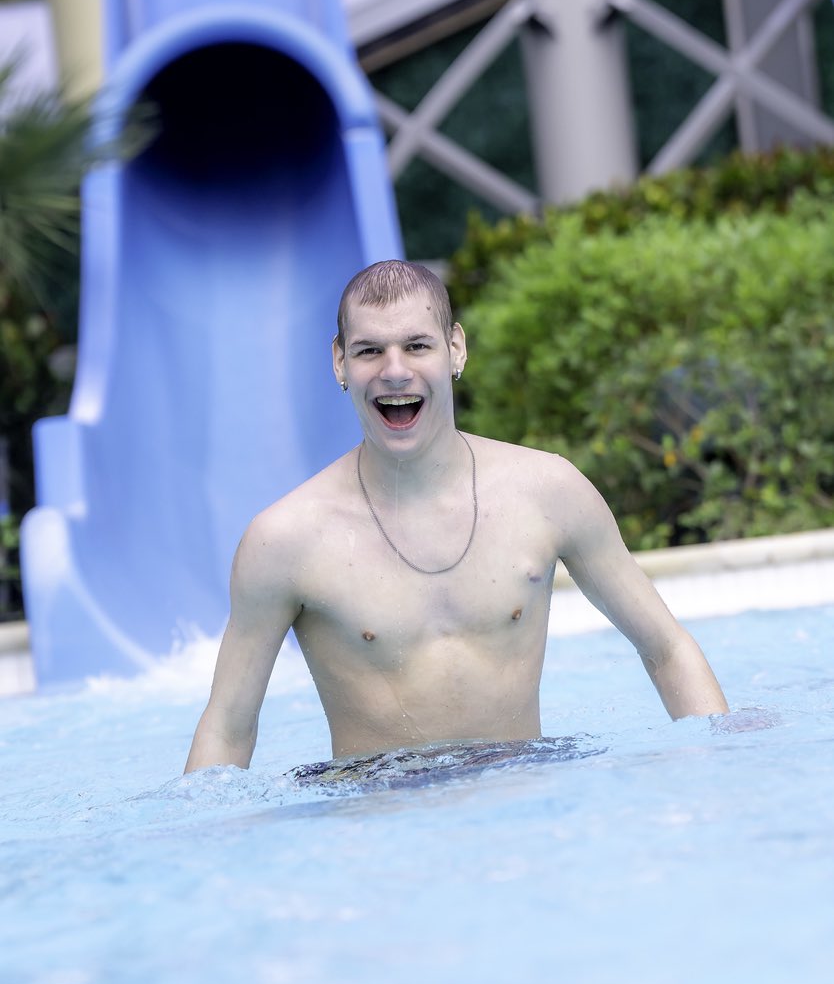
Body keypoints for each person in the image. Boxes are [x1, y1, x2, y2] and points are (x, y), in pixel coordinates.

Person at [185, 260, 728, 773]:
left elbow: (666, 648)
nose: (394, 371)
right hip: (378, 821)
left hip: (524, 801)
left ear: (455, 349)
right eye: (370, 350)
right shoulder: (284, 540)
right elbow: (230, 726)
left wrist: (724, 766)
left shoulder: (548, 491)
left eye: (416, 346)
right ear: (339, 362)